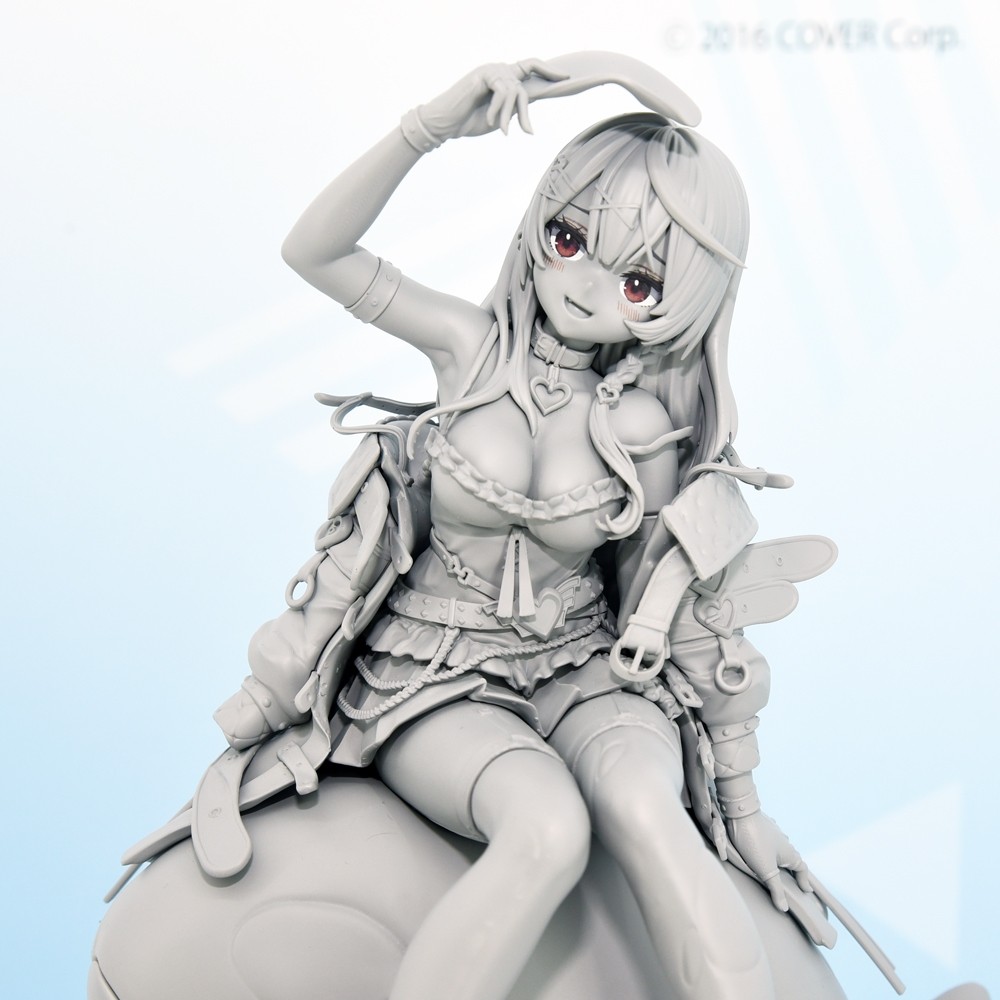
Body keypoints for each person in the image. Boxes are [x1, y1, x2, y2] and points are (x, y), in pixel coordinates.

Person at [206, 57, 815, 1000]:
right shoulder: (468, 351)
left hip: (583, 670)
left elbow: (673, 602)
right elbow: (315, 252)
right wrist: (430, 126)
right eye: (570, 238)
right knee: (545, 830)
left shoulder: (644, 428)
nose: (588, 285)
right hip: (433, 672)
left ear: (685, 299)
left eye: (640, 280)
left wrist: (741, 806)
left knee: (647, 810)